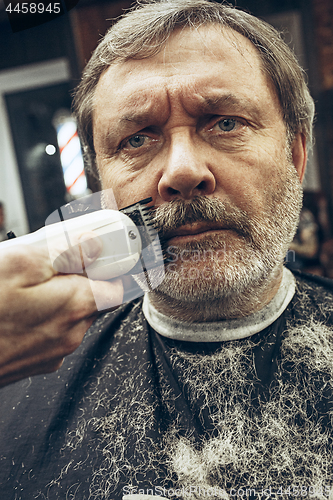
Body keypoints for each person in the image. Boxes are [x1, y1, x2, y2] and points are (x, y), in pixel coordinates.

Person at [0, 0, 333, 498]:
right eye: (137, 139)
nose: (181, 172)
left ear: (296, 154)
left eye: (224, 123)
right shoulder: (16, 383)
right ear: (99, 187)